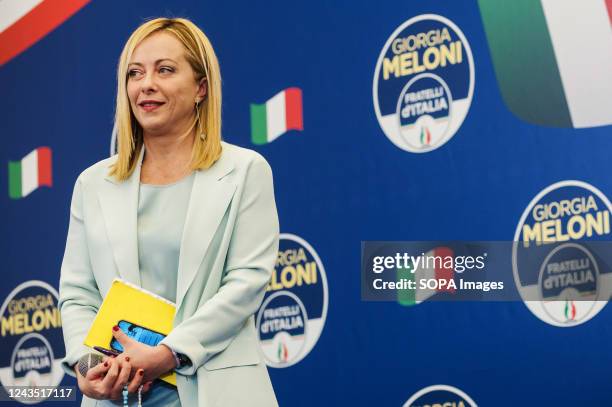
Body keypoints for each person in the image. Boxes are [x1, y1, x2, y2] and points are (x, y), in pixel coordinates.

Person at [58, 17, 279, 406]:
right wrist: (88, 364)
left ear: (201, 87)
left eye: (165, 70)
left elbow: (246, 283)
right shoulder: (91, 184)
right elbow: (78, 293)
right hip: (117, 392)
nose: (146, 84)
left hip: (215, 389)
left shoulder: (246, 171)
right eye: (135, 73)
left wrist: (167, 355)